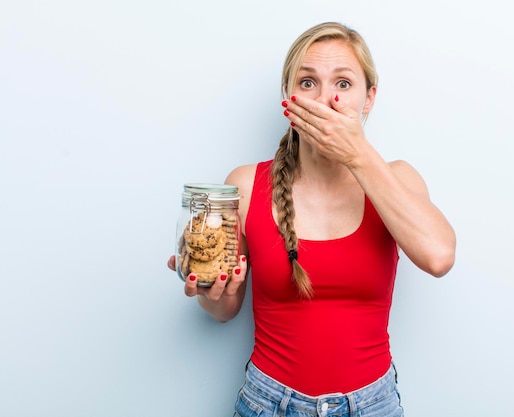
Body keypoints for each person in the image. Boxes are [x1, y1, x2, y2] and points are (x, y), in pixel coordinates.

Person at [168, 21, 456, 417]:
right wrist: (211, 293)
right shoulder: (246, 185)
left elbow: (439, 257)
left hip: (373, 405)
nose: (325, 99)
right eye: (307, 83)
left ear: (368, 98)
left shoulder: (398, 179)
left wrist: (358, 155)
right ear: (288, 97)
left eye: (343, 84)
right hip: (267, 403)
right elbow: (225, 310)